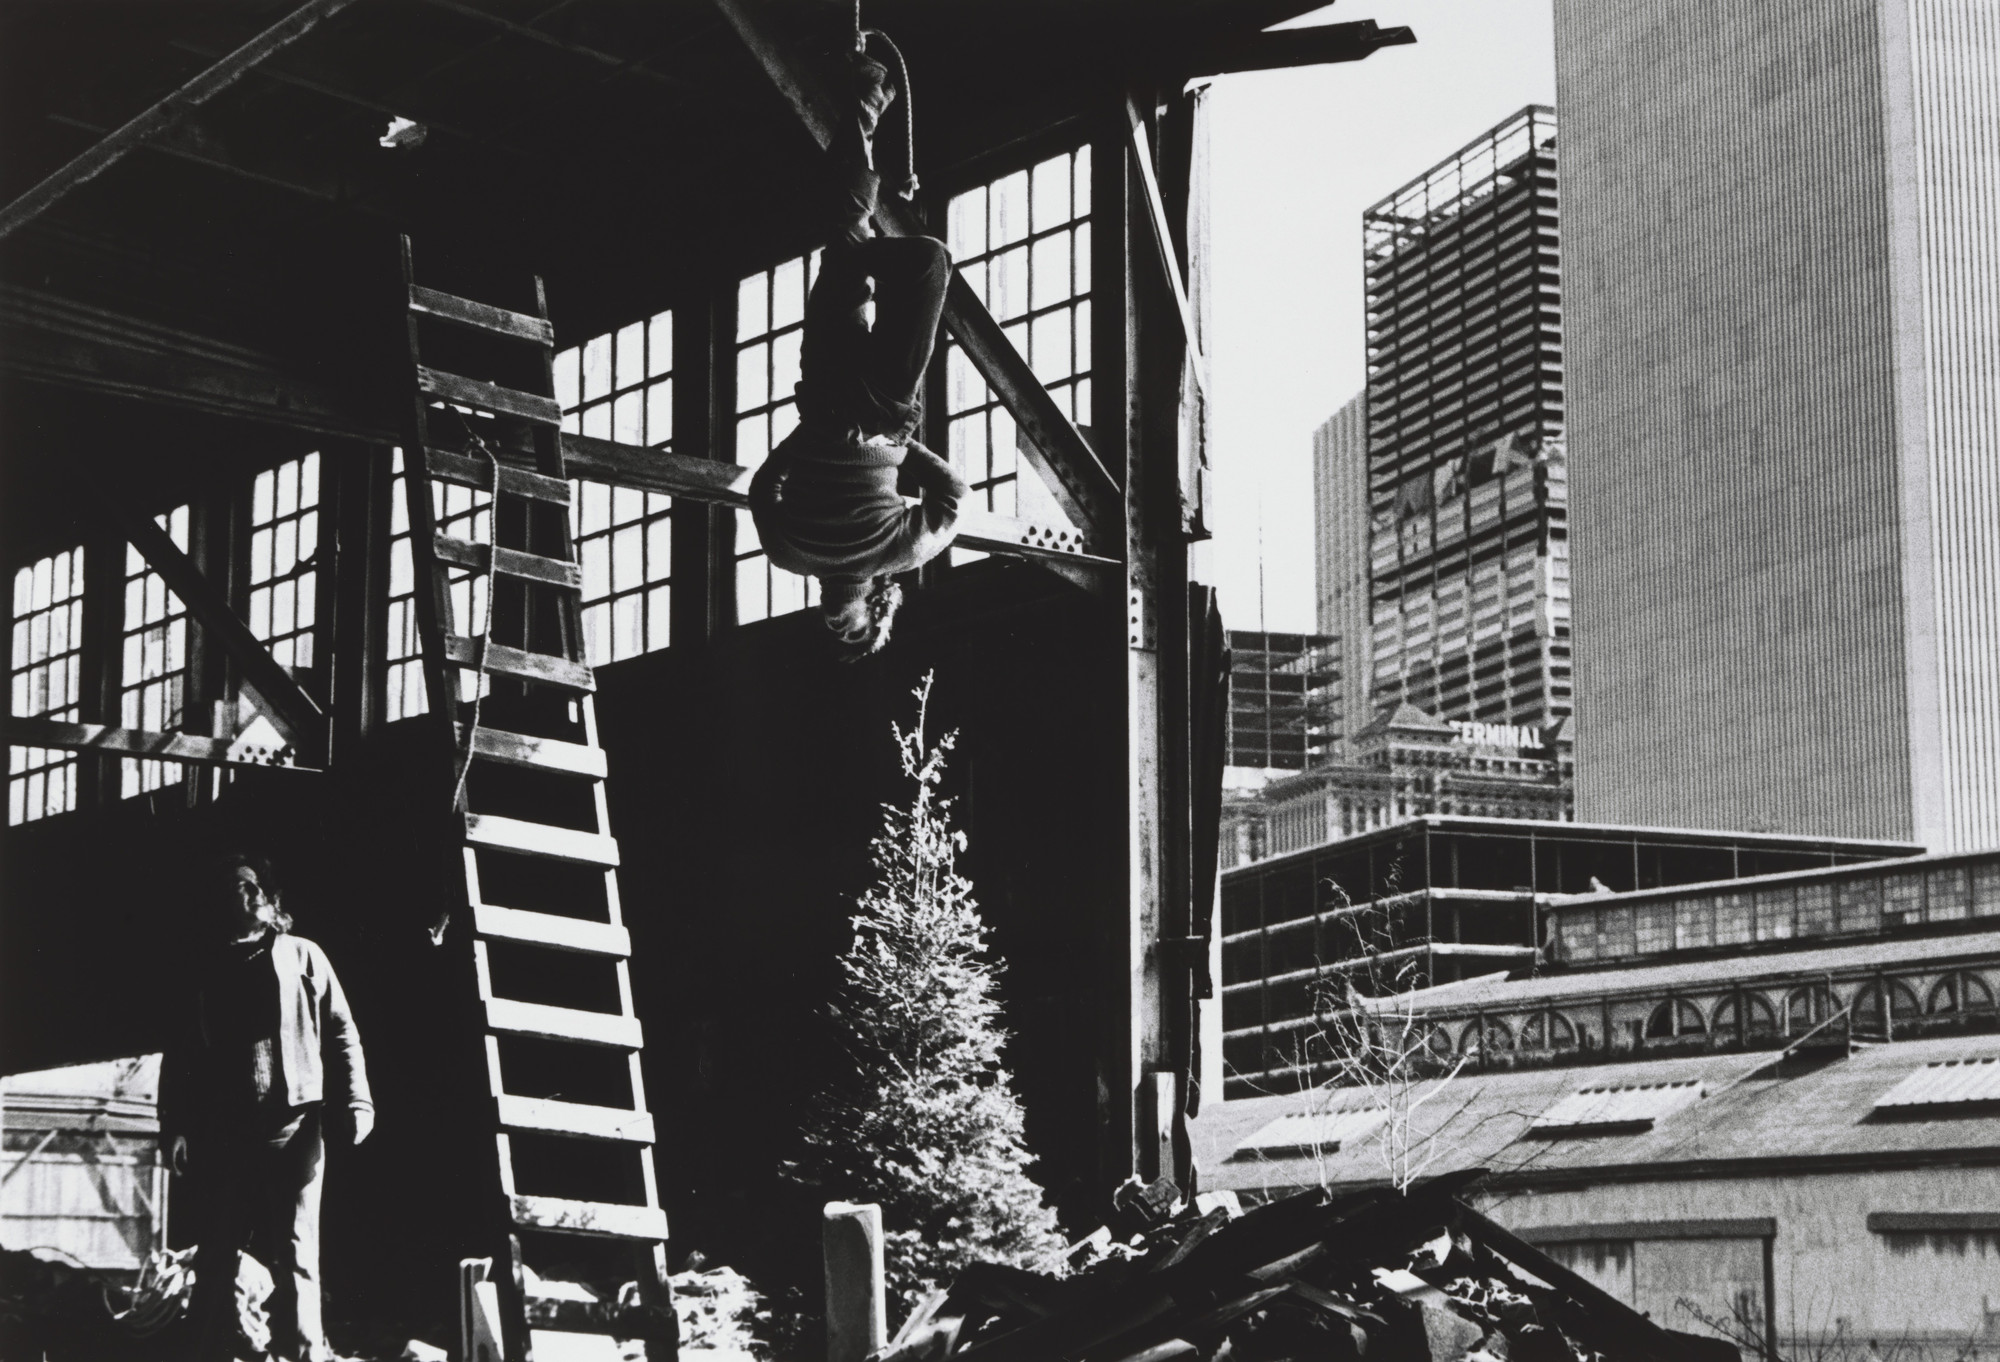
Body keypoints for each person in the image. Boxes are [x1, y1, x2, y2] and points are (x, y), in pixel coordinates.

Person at [749, 44, 969, 659]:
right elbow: (953, 496)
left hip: (822, 393)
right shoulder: (901, 551)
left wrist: (813, 438)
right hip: (884, 408)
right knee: (930, 262)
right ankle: (852, 246)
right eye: (851, 629)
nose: (832, 624)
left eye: (832, 632)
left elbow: (762, 490)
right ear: (875, 605)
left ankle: (868, 100)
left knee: (847, 238)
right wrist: (894, 446)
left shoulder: (787, 552)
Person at [160, 852, 372, 1362]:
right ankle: (205, 1352)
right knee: (216, 1252)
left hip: (295, 1126)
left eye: (256, 885)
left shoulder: (305, 957)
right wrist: (176, 1127)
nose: (249, 893)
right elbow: (183, 1051)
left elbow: (342, 1033)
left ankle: (304, 1354)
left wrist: (357, 1101)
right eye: (237, 885)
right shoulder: (206, 966)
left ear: (273, 901)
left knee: (298, 1254)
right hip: (226, 1132)